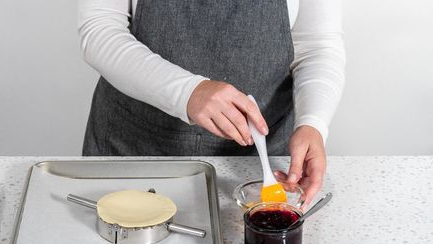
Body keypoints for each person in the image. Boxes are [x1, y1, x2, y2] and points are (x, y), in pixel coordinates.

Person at [77, 0, 345, 205]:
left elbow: (316, 44)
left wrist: (313, 123)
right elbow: (100, 29)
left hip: (258, 166)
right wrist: (187, 92)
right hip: (134, 149)